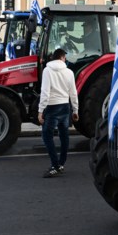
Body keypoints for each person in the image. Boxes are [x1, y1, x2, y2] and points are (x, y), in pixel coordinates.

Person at [37, 48, 79, 178]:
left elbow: (45, 92)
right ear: (62, 57)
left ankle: (55, 166)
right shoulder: (69, 72)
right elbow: (73, 92)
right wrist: (76, 110)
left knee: (47, 136)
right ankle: (61, 163)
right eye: (65, 57)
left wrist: (40, 111)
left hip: (52, 107)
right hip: (65, 107)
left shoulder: (47, 70)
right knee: (64, 135)